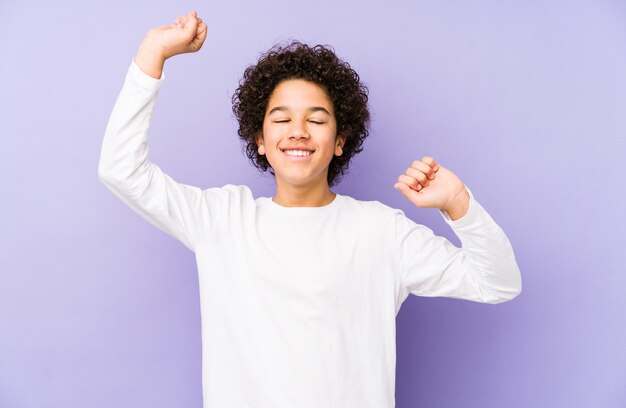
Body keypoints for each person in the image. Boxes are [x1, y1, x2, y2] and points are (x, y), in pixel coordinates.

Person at [98, 10, 522, 408]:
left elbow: (497, 284)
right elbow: (121, 170)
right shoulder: (221, 219)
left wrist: (458, 204)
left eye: (317, 120)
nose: (298, 131)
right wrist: (153, 52)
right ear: (260, 140)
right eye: (281, 119)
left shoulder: (381, 231)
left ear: (340, 141)